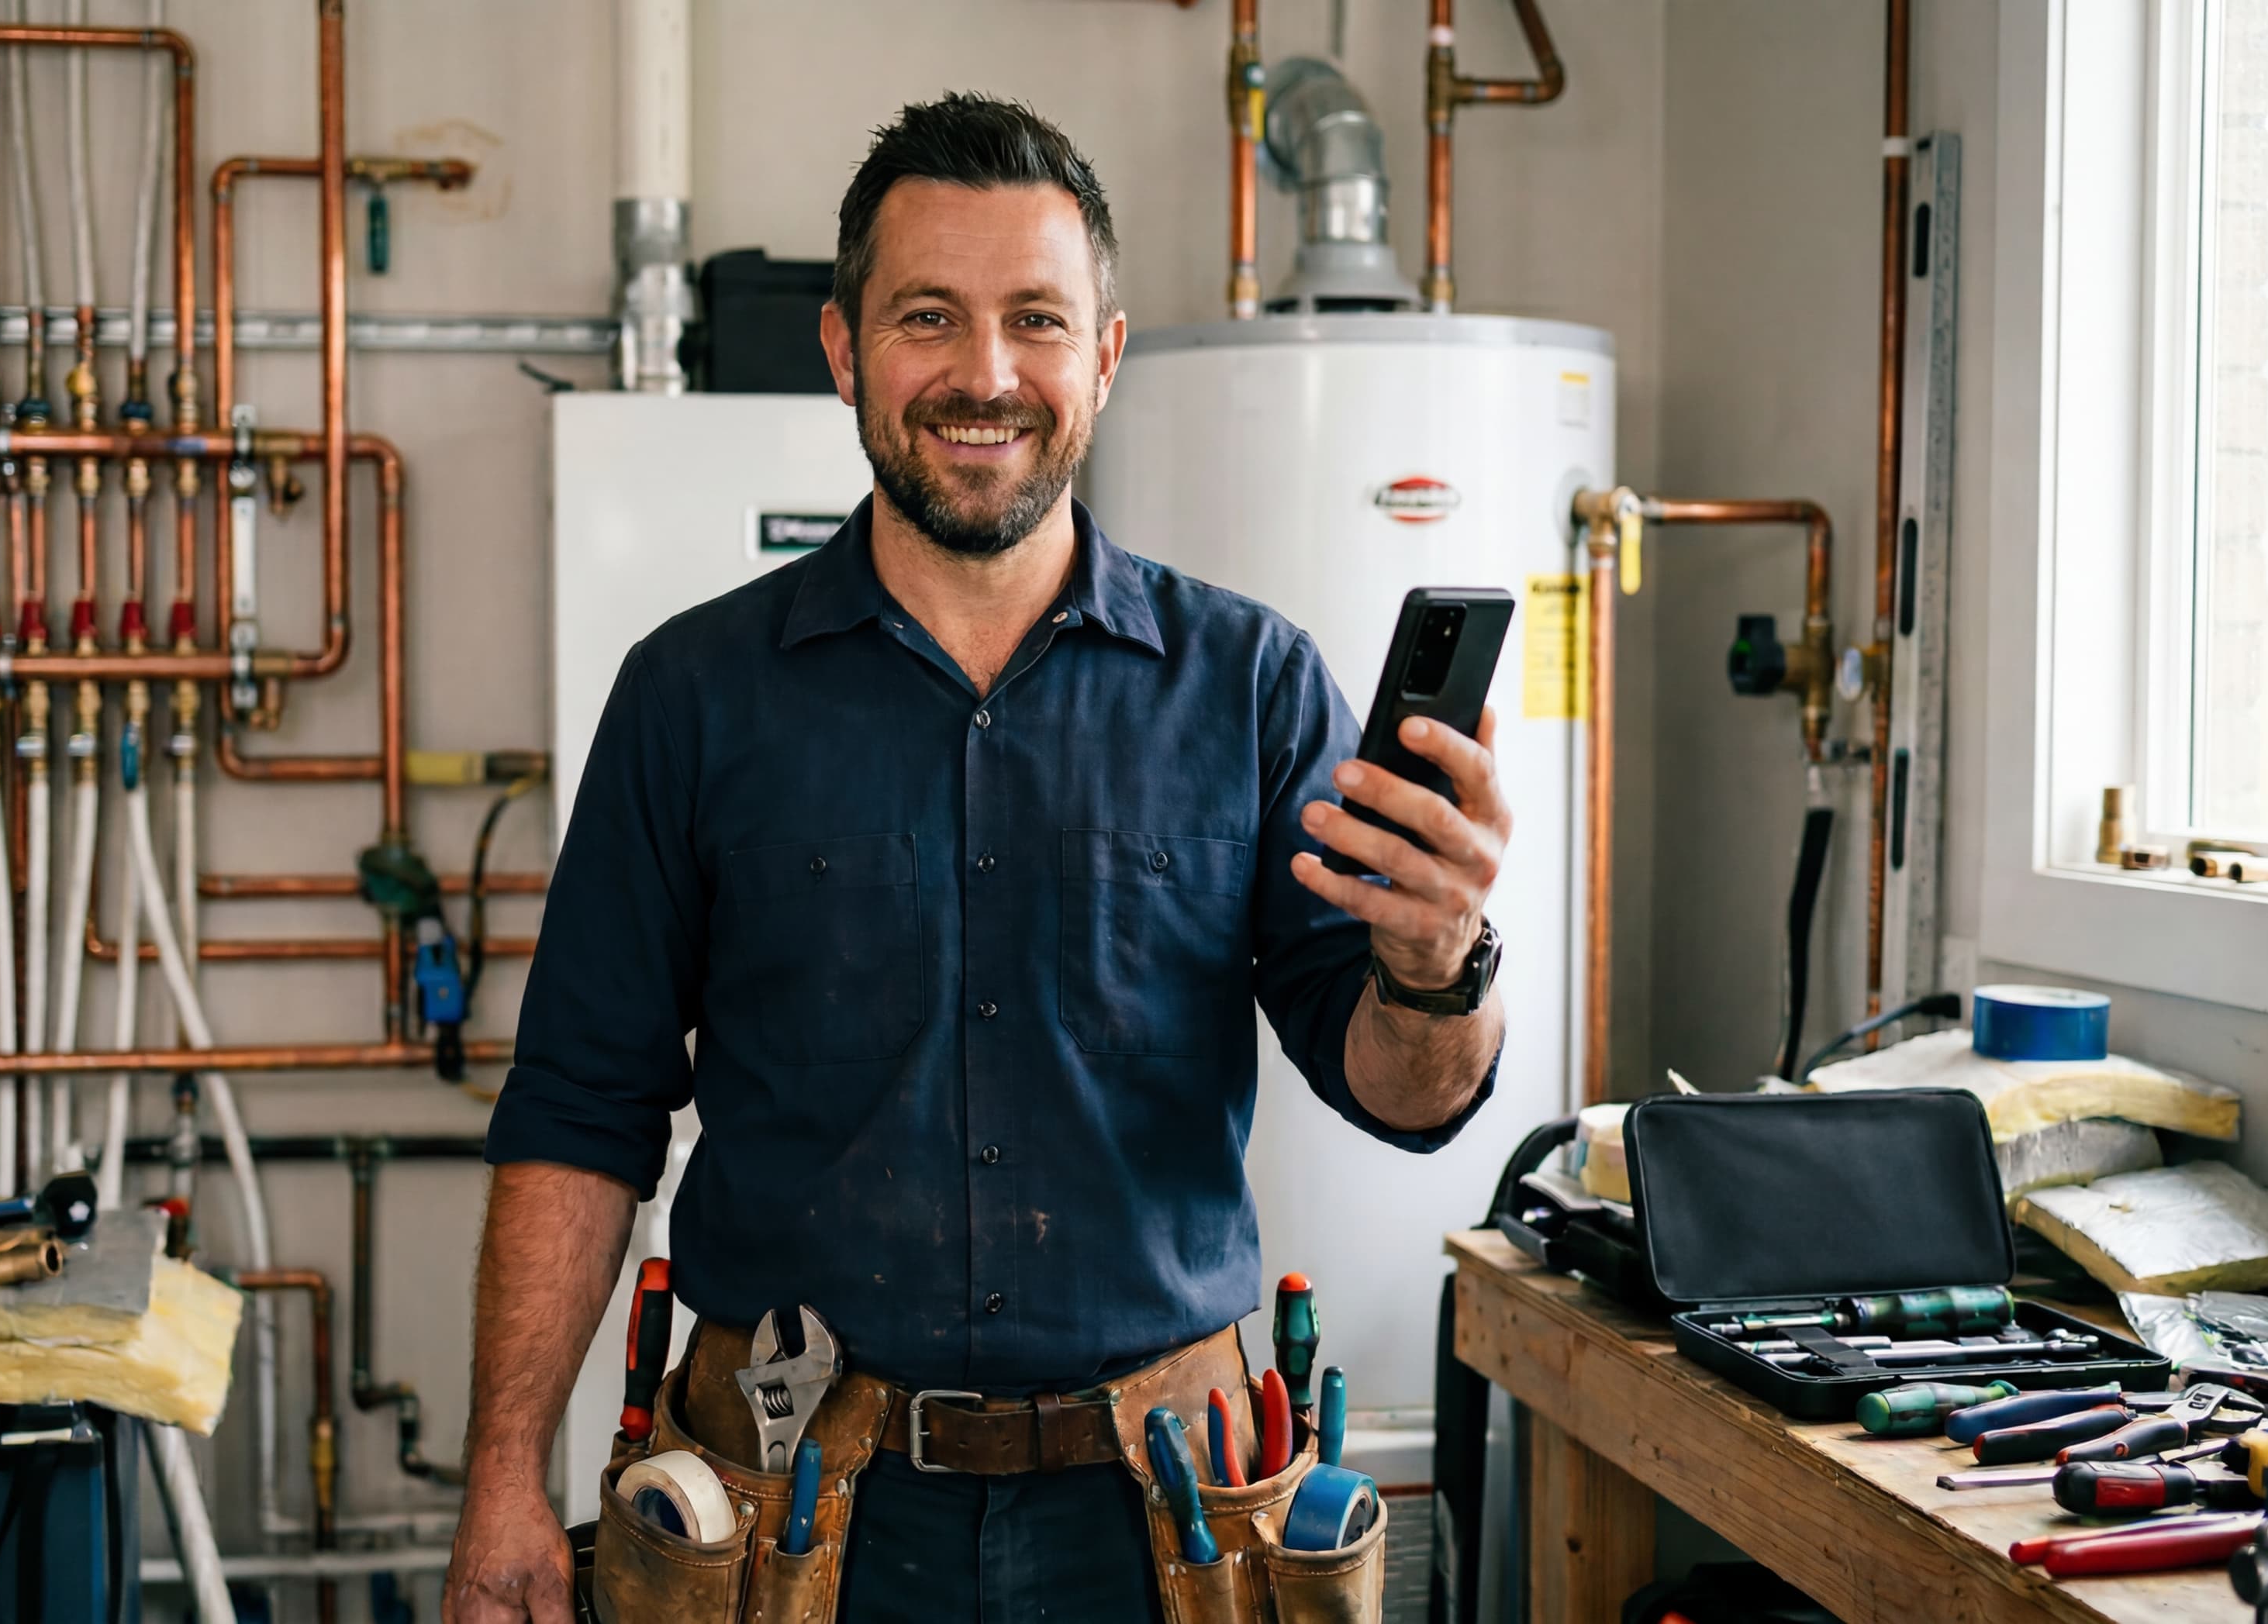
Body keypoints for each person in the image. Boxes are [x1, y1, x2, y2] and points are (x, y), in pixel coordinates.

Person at [446, 92, 1510, 1622]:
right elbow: (578, 1106)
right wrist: (502, 1483)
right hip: (786, 1508)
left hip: (1165, 1524)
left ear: (1107, 355)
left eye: (1035, 320)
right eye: (927, 317)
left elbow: (1408, 1095)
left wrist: (1439, 962)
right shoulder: (693, 695)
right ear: (843, 349)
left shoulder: (1254, 684)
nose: (985, 375)